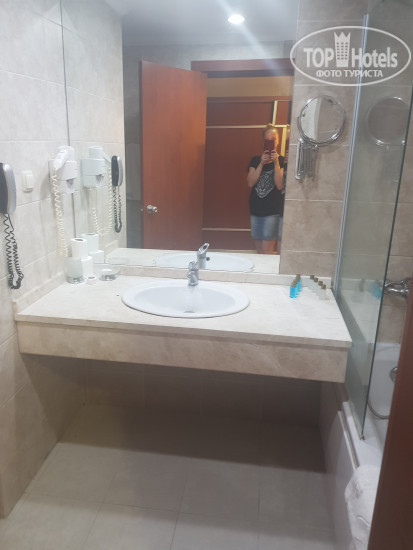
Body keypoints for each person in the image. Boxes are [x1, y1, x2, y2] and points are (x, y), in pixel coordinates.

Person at [247, 124, 284, 254]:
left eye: (273, 139)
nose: (270, 142)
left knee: (267, 250)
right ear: (263, 142)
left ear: (277, 141)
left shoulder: (281, 161)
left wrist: (276, 163)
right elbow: (250, 183)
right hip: (255, 209)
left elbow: (279, 185)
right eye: (267, 140)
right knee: (258, 250)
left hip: (272, 211)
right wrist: (261, 164)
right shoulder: (255, 160)